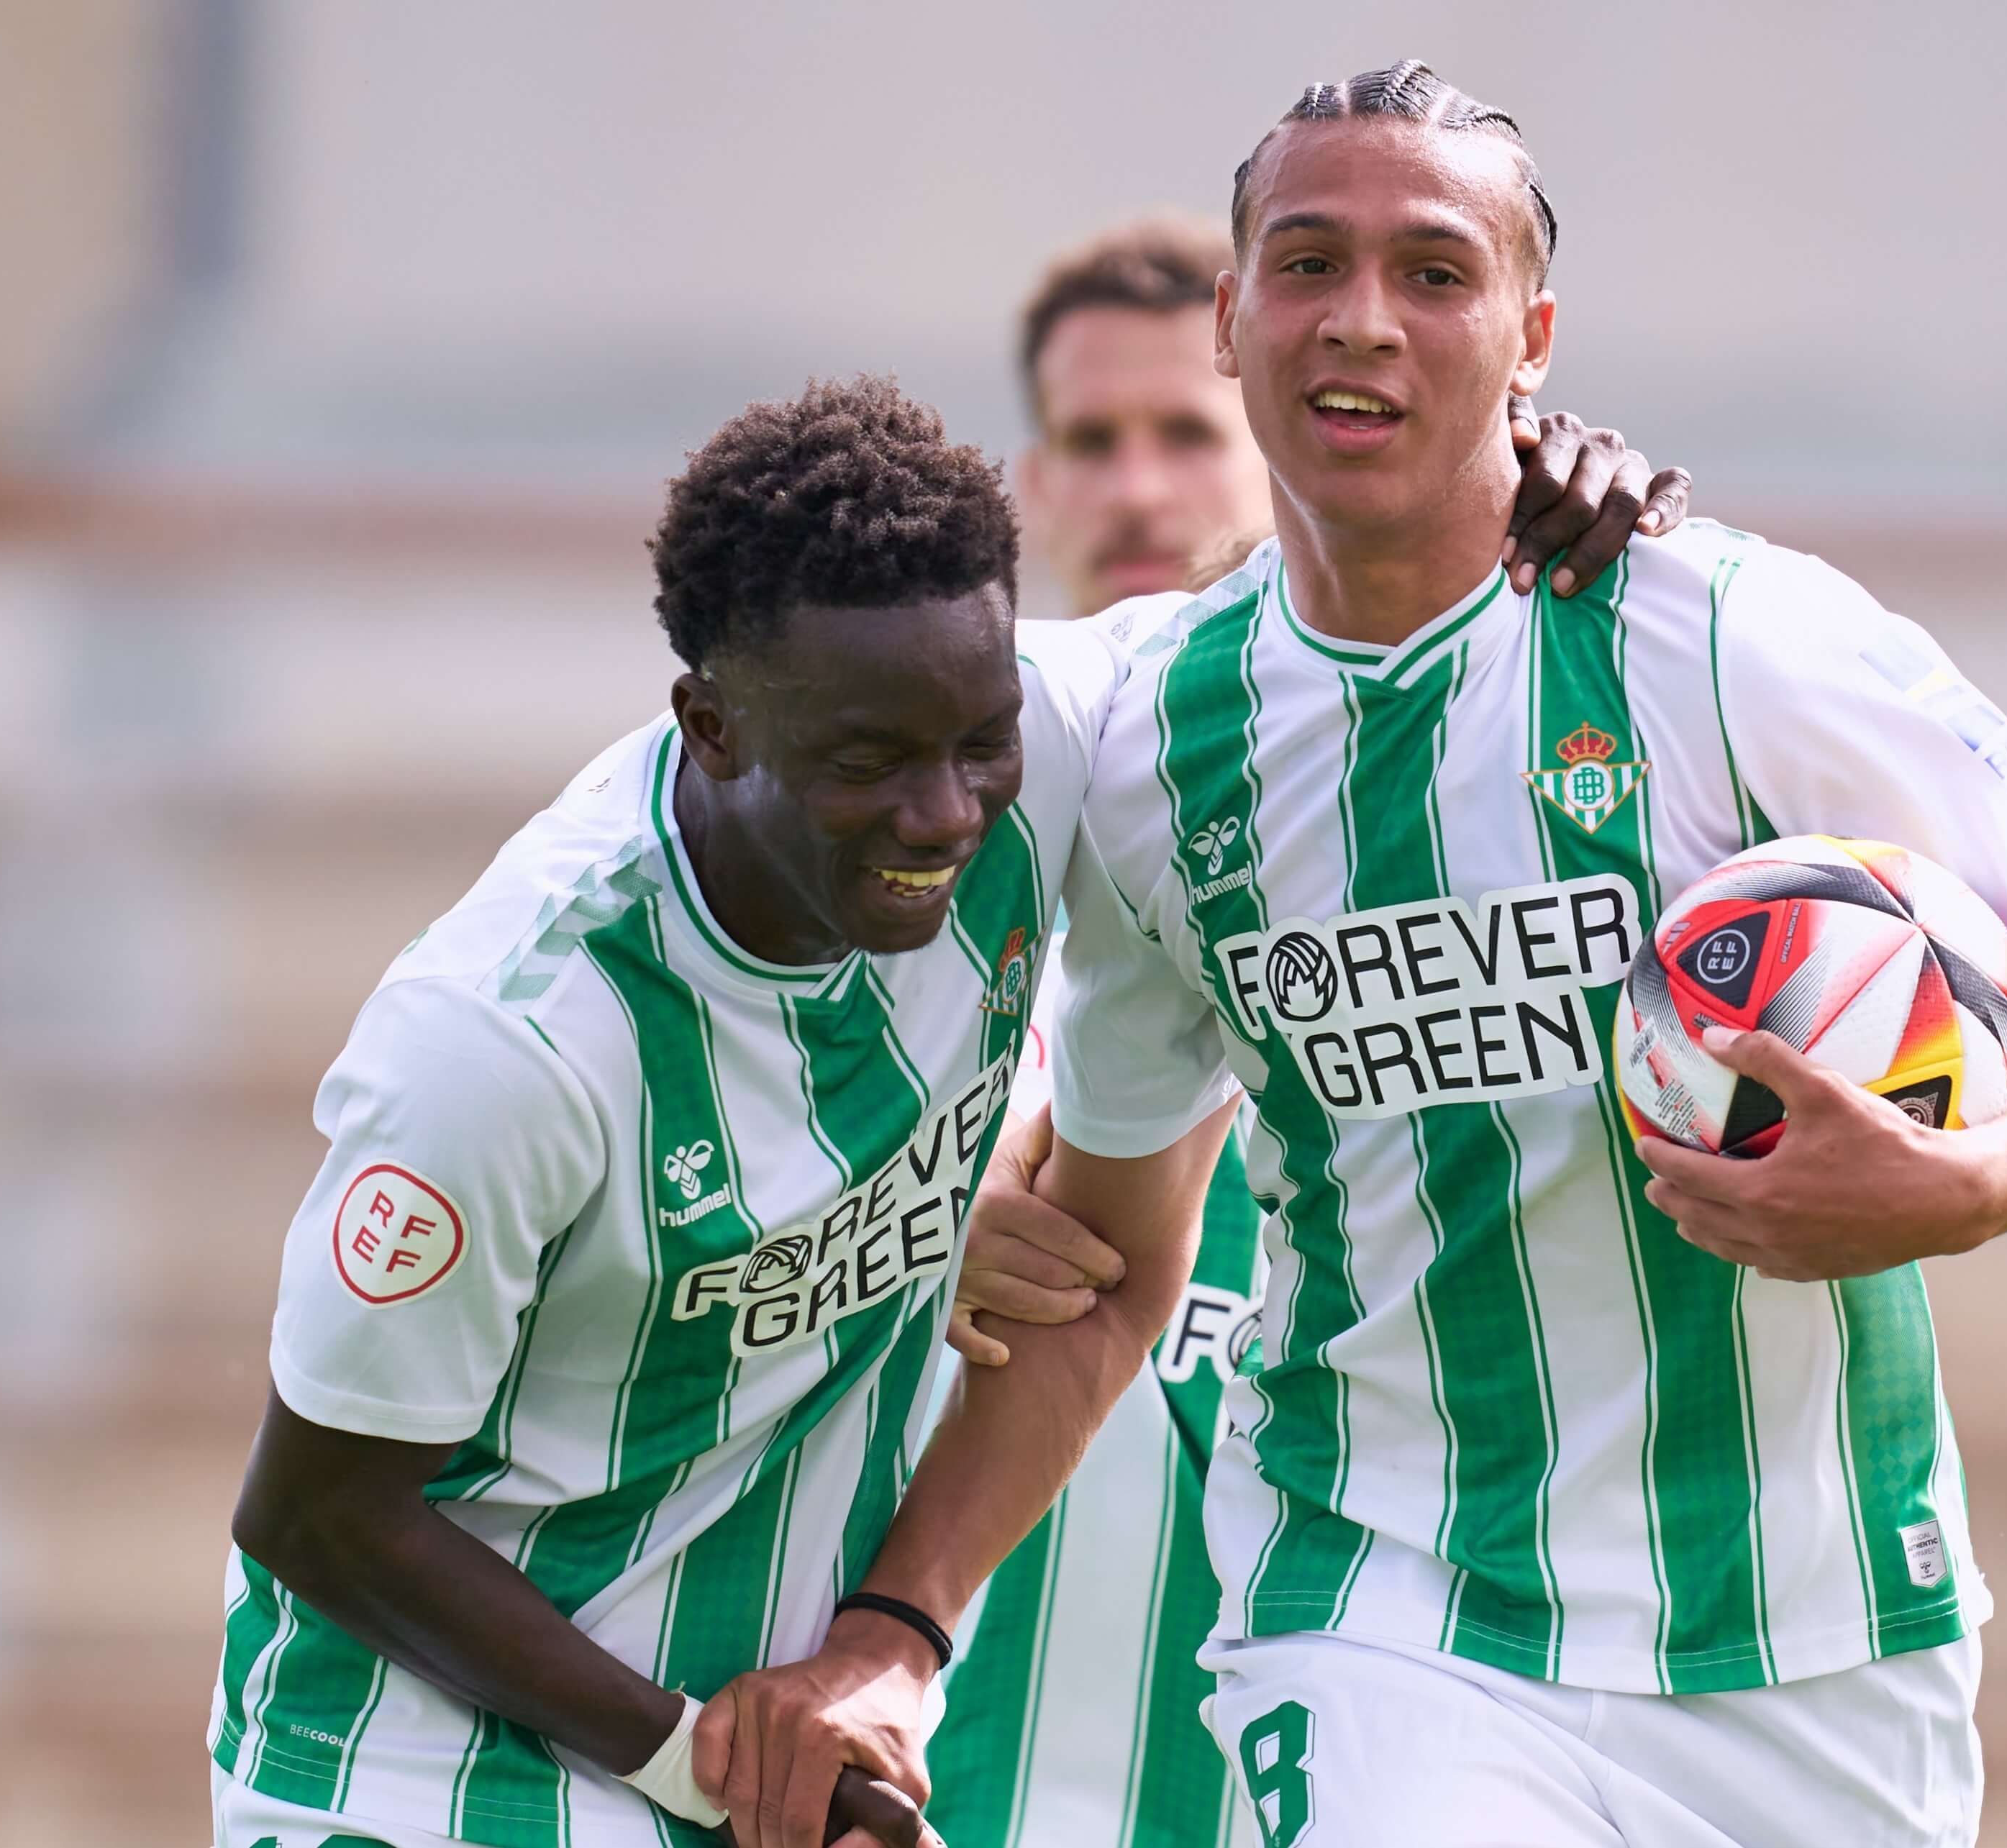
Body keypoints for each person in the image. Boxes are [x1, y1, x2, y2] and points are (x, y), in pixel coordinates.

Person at [957, 60, 2007, 1847]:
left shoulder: (1732, 636)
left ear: (1533, 334)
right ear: (1229, 312)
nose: (1363, 321)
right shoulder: (1151, 739)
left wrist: (1976, 1180)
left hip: (1815, 1631)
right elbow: (1113, 1255)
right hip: (1384, 1604)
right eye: (1307, 263)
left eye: (1436, 273)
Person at [209, 373, 1679, 1848]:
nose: (944, 815)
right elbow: (318, 1513)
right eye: (868, 766)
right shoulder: (510, 1045)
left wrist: (1499, 473)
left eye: (979, 744)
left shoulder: (1052, 734)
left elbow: (1308, 631)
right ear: (711, 727)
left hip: (750, 1750)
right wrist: (699, 1761)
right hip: (410, 1768)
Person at [927, 218, 1688, 1848]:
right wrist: (896, 1209)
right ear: (1032, 487)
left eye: (1182, 434)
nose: (1139, 489)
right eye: (1090, 443)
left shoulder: (1418, 898)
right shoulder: (908, 871)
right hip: (946, 1788)